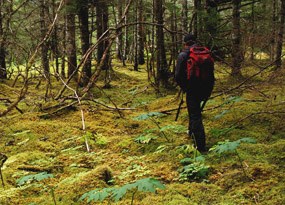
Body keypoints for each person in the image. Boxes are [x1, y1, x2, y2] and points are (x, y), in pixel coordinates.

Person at [175, 33, 214, 153]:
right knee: (195, 111)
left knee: (195, 115)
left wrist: (185, 87)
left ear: (185, 43)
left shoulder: (183, 55)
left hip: (192, 89)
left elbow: (177, 76)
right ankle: (191, 132)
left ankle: (201, 147)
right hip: (206, 88)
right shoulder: (205, 53)